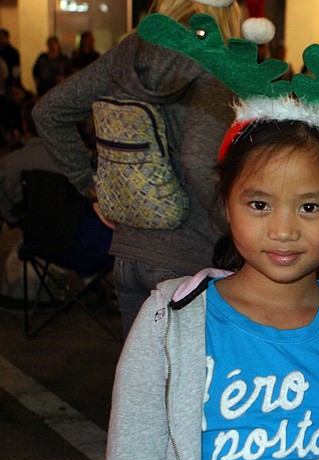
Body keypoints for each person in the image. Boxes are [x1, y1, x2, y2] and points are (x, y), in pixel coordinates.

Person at [99, 116, 319, 460]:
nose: (283, 229)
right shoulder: (170, 322)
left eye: (310, 208)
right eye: (259, 204)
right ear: (226, 204)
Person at [34, 0, 244, 338]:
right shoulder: (214, 57)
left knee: (143, 383)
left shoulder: (130, 53)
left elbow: (48, 111)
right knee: (193, 386)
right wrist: (238, 224)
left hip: (128, 256)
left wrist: (92, 187)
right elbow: (198, 159)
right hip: (192, 259)